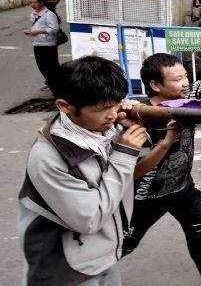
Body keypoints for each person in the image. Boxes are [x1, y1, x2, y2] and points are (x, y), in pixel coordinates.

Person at [19, 56, 146, 285]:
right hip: (66, 269)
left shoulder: (102, 129)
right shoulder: (48, 157)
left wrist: (137, 130)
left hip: (105, 256)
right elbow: (89, 219)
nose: (113, 114)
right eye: (103, 108)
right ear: (65, 106)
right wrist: (124, 154)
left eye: (116, 103)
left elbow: (134, 172)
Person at [122, 54, 201, 286]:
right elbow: (134, 172)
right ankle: (80, 274)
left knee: (199, 234)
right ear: (155, 85)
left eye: (186, 77)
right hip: (145, 197)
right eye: (177, 79)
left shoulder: (190, 103)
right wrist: (129, 108)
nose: (186, 83)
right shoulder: (138, 114)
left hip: (183, 189)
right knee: (122, 246)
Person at [24, 0, 60, 84]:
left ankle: (58, 85)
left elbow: (54, 29)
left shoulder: (49, 14)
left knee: (52, 67)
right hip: (37, 43)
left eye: (34, 2)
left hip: (48, 45)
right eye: (30, 2)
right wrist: (31, 30)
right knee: (42, 67)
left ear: (41, 2)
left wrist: (37, 32)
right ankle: (52, 83)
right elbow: (37, 26)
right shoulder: (32, 14)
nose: (32, 4)